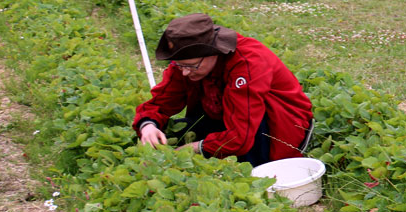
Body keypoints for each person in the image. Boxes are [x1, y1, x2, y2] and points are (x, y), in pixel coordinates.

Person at [133, 13, 313, 167]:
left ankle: (253, 171)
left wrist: (196, 148)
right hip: (226, 115)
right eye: (179, 65)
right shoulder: (186, 63)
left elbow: (241, 135)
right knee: (173, 133)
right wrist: (148, 125)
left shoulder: (248, 63)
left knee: (251, 166)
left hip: (276, 123)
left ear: (213, 52)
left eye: (191, 66)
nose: (185, 72)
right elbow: (161, 102)